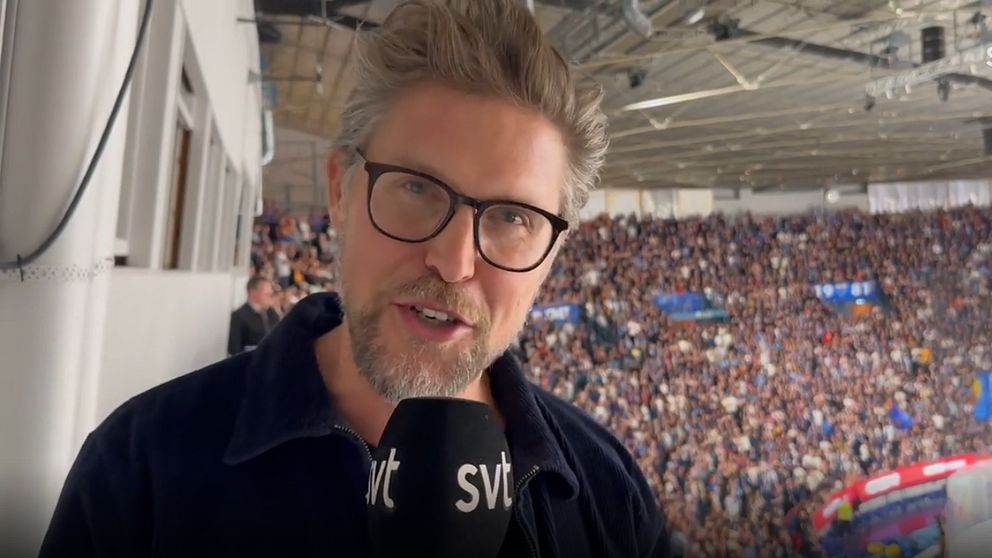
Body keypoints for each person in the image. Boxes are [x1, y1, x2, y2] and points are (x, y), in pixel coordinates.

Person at [39, 1, 669, 557]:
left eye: (512, 217)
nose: (454, 262)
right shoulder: (139, 470)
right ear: (340, 192)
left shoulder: (611, 493)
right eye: (417, 188)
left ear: (553, 252)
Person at [226, 276, 279, 355]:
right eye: (267, 295)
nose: (270, 298)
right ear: (253, 293)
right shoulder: (239, 316)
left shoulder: (272, 313)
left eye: (271, 294)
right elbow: (234, 349)